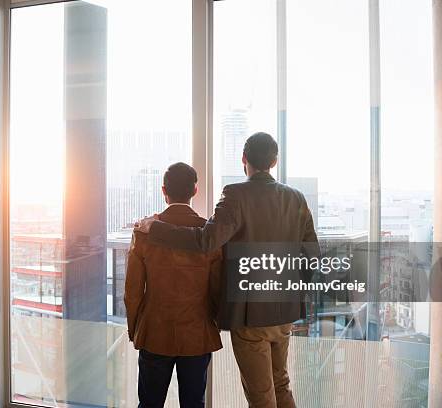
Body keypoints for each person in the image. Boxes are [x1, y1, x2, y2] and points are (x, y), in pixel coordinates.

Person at [135, 132, 318, 408]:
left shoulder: (235, 195)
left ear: (244, 159)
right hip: (284, 312)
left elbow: (205, 240)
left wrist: (156, 227)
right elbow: (310, 257)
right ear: (274, 160)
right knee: (281, 383)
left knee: (261, 395)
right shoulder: (296, 198)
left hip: (250, 316)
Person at [125, 162, 223, 408]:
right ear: (195, 191)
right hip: (197, 333)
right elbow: (217, 288)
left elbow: (133, 292)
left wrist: (134, 327)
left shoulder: (144, 231)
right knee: (193, 404)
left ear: (163, 190)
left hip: (154, 332)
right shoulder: (208, 233)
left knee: (149, 403)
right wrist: (214, 323)